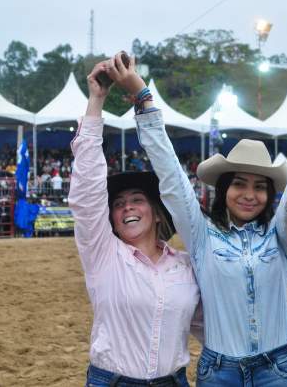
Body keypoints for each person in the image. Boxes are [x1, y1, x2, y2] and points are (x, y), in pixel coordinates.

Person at [104, 52, 287, 386]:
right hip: (219, 372)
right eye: (239, 184)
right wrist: (143, 99)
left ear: (270, 195)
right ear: (223, 189)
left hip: (277, 368)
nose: (249, 194)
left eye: (259, 187)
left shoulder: (280, 235)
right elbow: (170, 175)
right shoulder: (201, 234)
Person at [69, 61, 200, 387]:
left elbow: (209, 324)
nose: (126, 205)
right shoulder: (103, 254)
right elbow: (87, 192)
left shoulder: (187, 266)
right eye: (118, 203)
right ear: (111, 217)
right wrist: (96, 100)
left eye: (137, 199)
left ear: (156, 212)